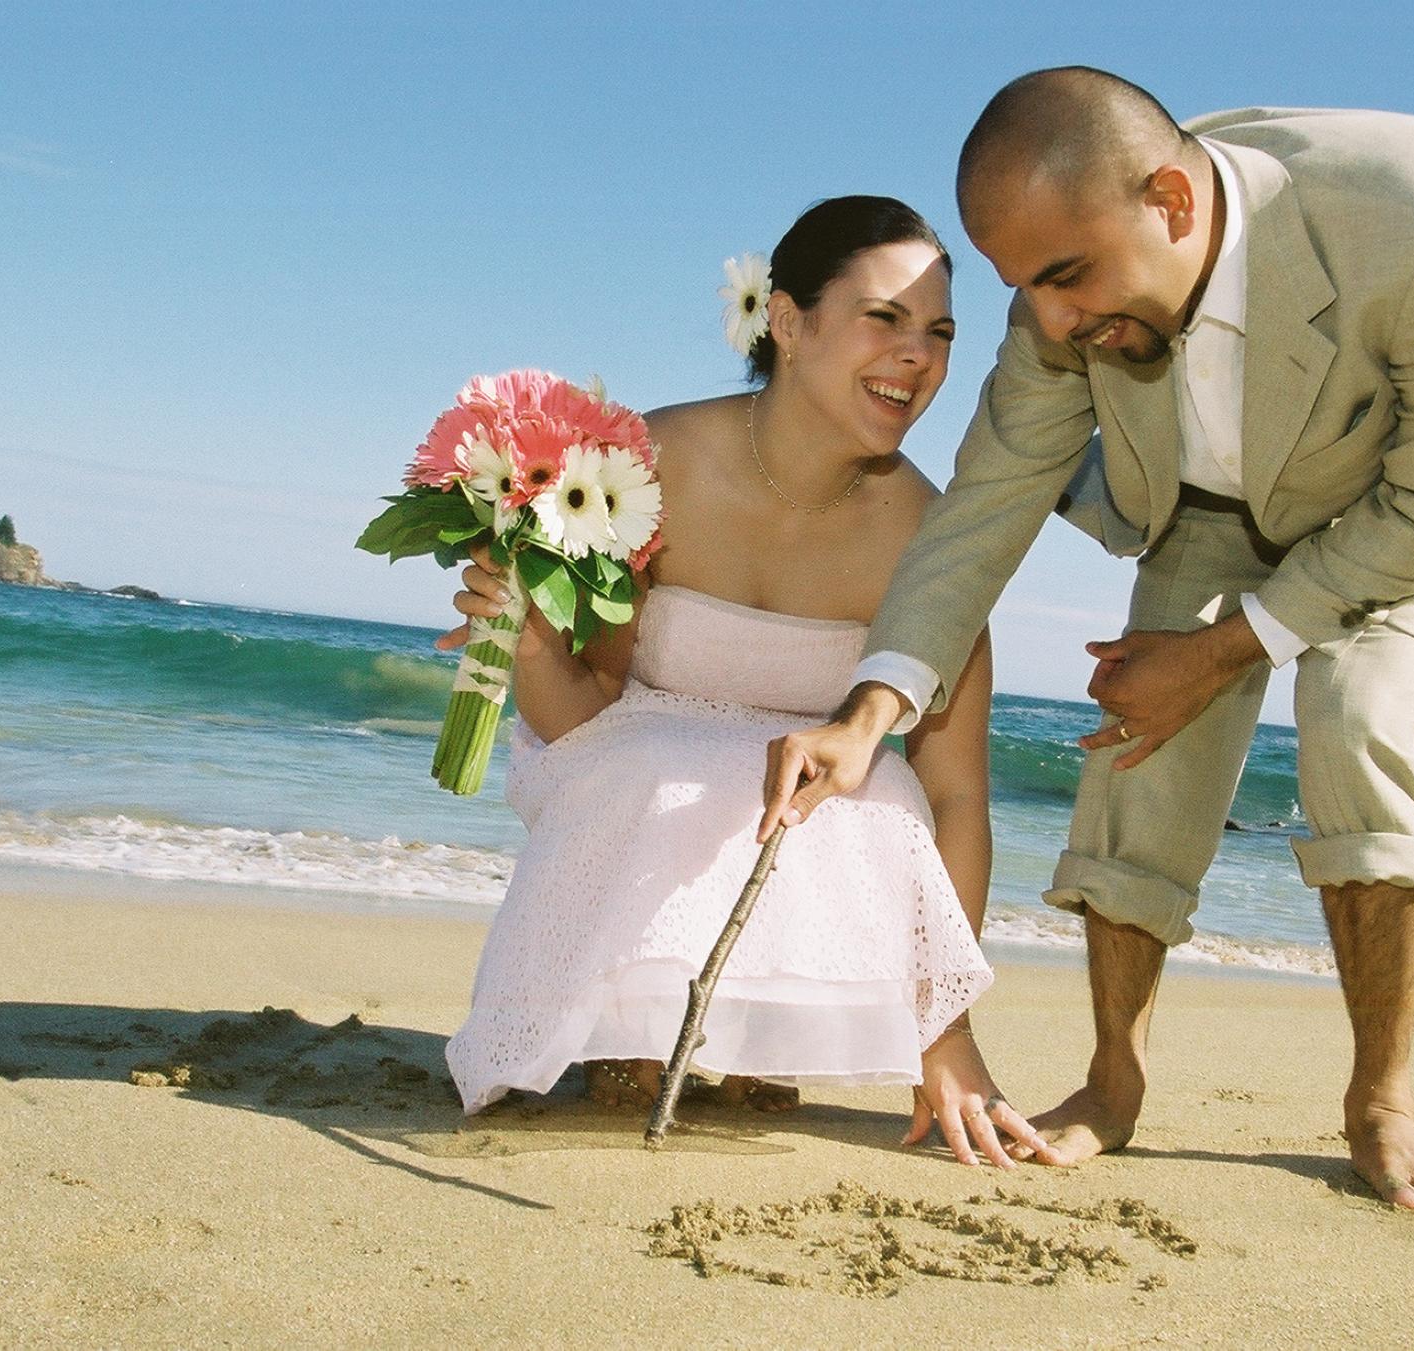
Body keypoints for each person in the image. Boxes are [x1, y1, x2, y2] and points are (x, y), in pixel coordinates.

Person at [760, 70, 1414, 1208]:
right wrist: (868, 713)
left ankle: (1380, 1102)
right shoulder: (1060, 288)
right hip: (1213, 496)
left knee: (1358, 709)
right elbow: (983, 509)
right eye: (1021, 288)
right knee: (1135, 727)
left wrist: (1226, 649)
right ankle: (1112, 1083)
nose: (1048, 320)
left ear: (1174, 204)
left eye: (1064, 278)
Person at [439, 196, 1056, 1169]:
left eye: (939, 333)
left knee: (886, 795)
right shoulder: (650, 467)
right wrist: (526, 648)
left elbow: (956, 797)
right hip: (634, 787)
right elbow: (579, 722)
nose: (917, 356)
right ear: (787, 321)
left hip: (812, 819)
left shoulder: (933, 538)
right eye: (884, 317)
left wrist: (946, 1031)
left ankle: (760, 1031)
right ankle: (630, 1024)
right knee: (651, 756)